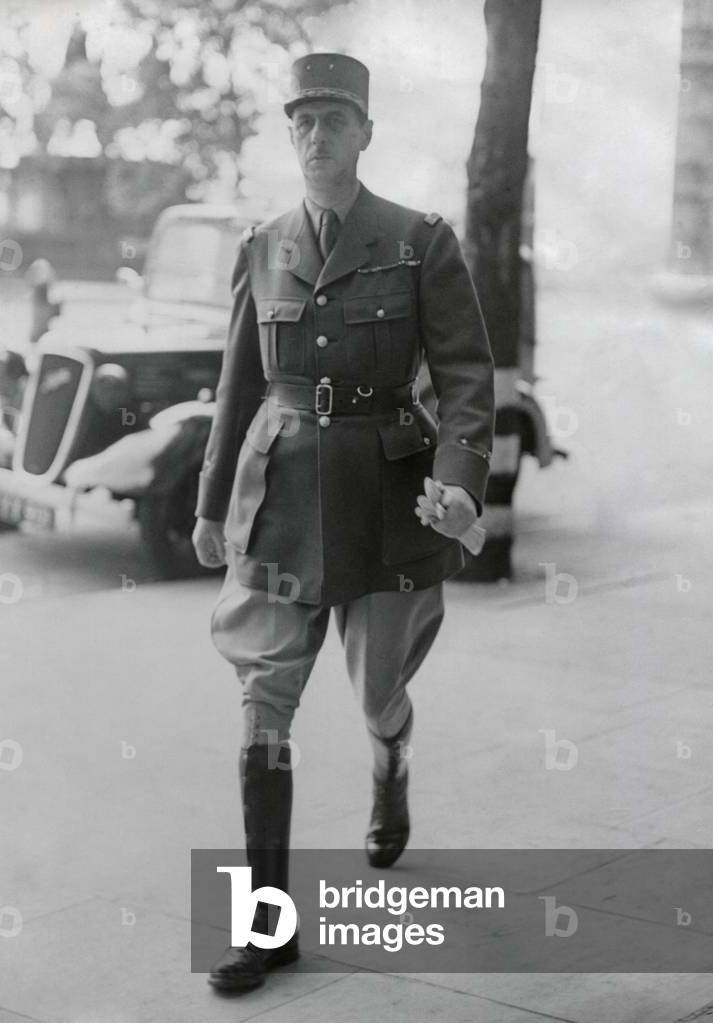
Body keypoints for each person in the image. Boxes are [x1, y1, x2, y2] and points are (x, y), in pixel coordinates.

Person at [192, 52, 495, 993]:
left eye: (334, 120)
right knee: (263, 698)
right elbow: (239, 382)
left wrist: (458, 483)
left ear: (365, 132)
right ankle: (268, 926)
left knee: (375, 692)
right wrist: (210, 504)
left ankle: (389, 754)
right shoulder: (262, 243)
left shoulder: (418, 240)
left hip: (389, 497)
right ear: (290, 135)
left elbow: (465, 379)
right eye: (301, 122)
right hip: (280, 497)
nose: (316, 138)